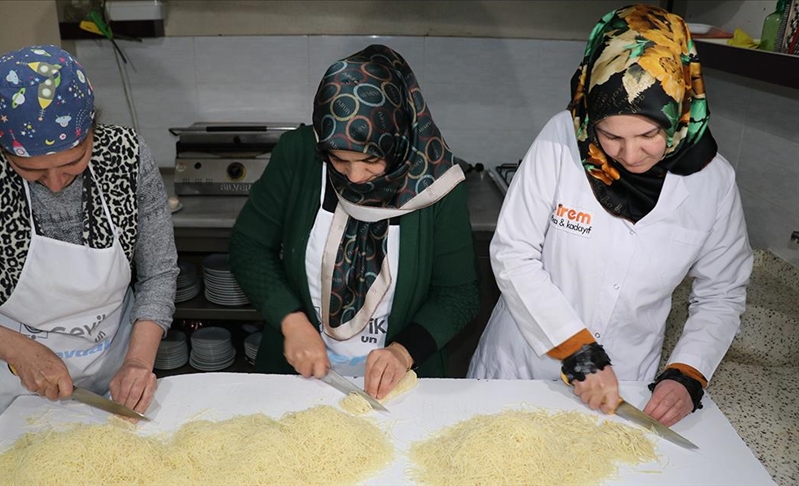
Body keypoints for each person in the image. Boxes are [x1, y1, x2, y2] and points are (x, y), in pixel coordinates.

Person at [468, 5, 753, 427]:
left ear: (679, 109)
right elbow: (513, 253)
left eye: (650, 134)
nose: (630, 155)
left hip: (628, 380)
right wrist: (575, 348)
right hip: (526, 367)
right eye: (611, 136)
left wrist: (689, 372)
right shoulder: (562, 140)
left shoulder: (714, 182)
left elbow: (721, 293)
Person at [0, 45, 178, 432]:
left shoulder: (126, 155)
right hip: (4, 383)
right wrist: (18, 350)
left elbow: (159, 273)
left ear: (91, 130)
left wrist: (137, 362)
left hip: (108, 374)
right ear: (1, 148)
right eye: (30, 170)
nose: (55, 182)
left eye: (72, 162)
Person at [229, 44, 479, 399]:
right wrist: (291, 320)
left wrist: (402, 351)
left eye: (371, 161)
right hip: (297, 376)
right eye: (339, 161)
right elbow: (248, 246)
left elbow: (459, 293)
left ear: (398, 139)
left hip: (398, 383)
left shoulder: (438, 184)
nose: (356, 177)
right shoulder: (298, 154)